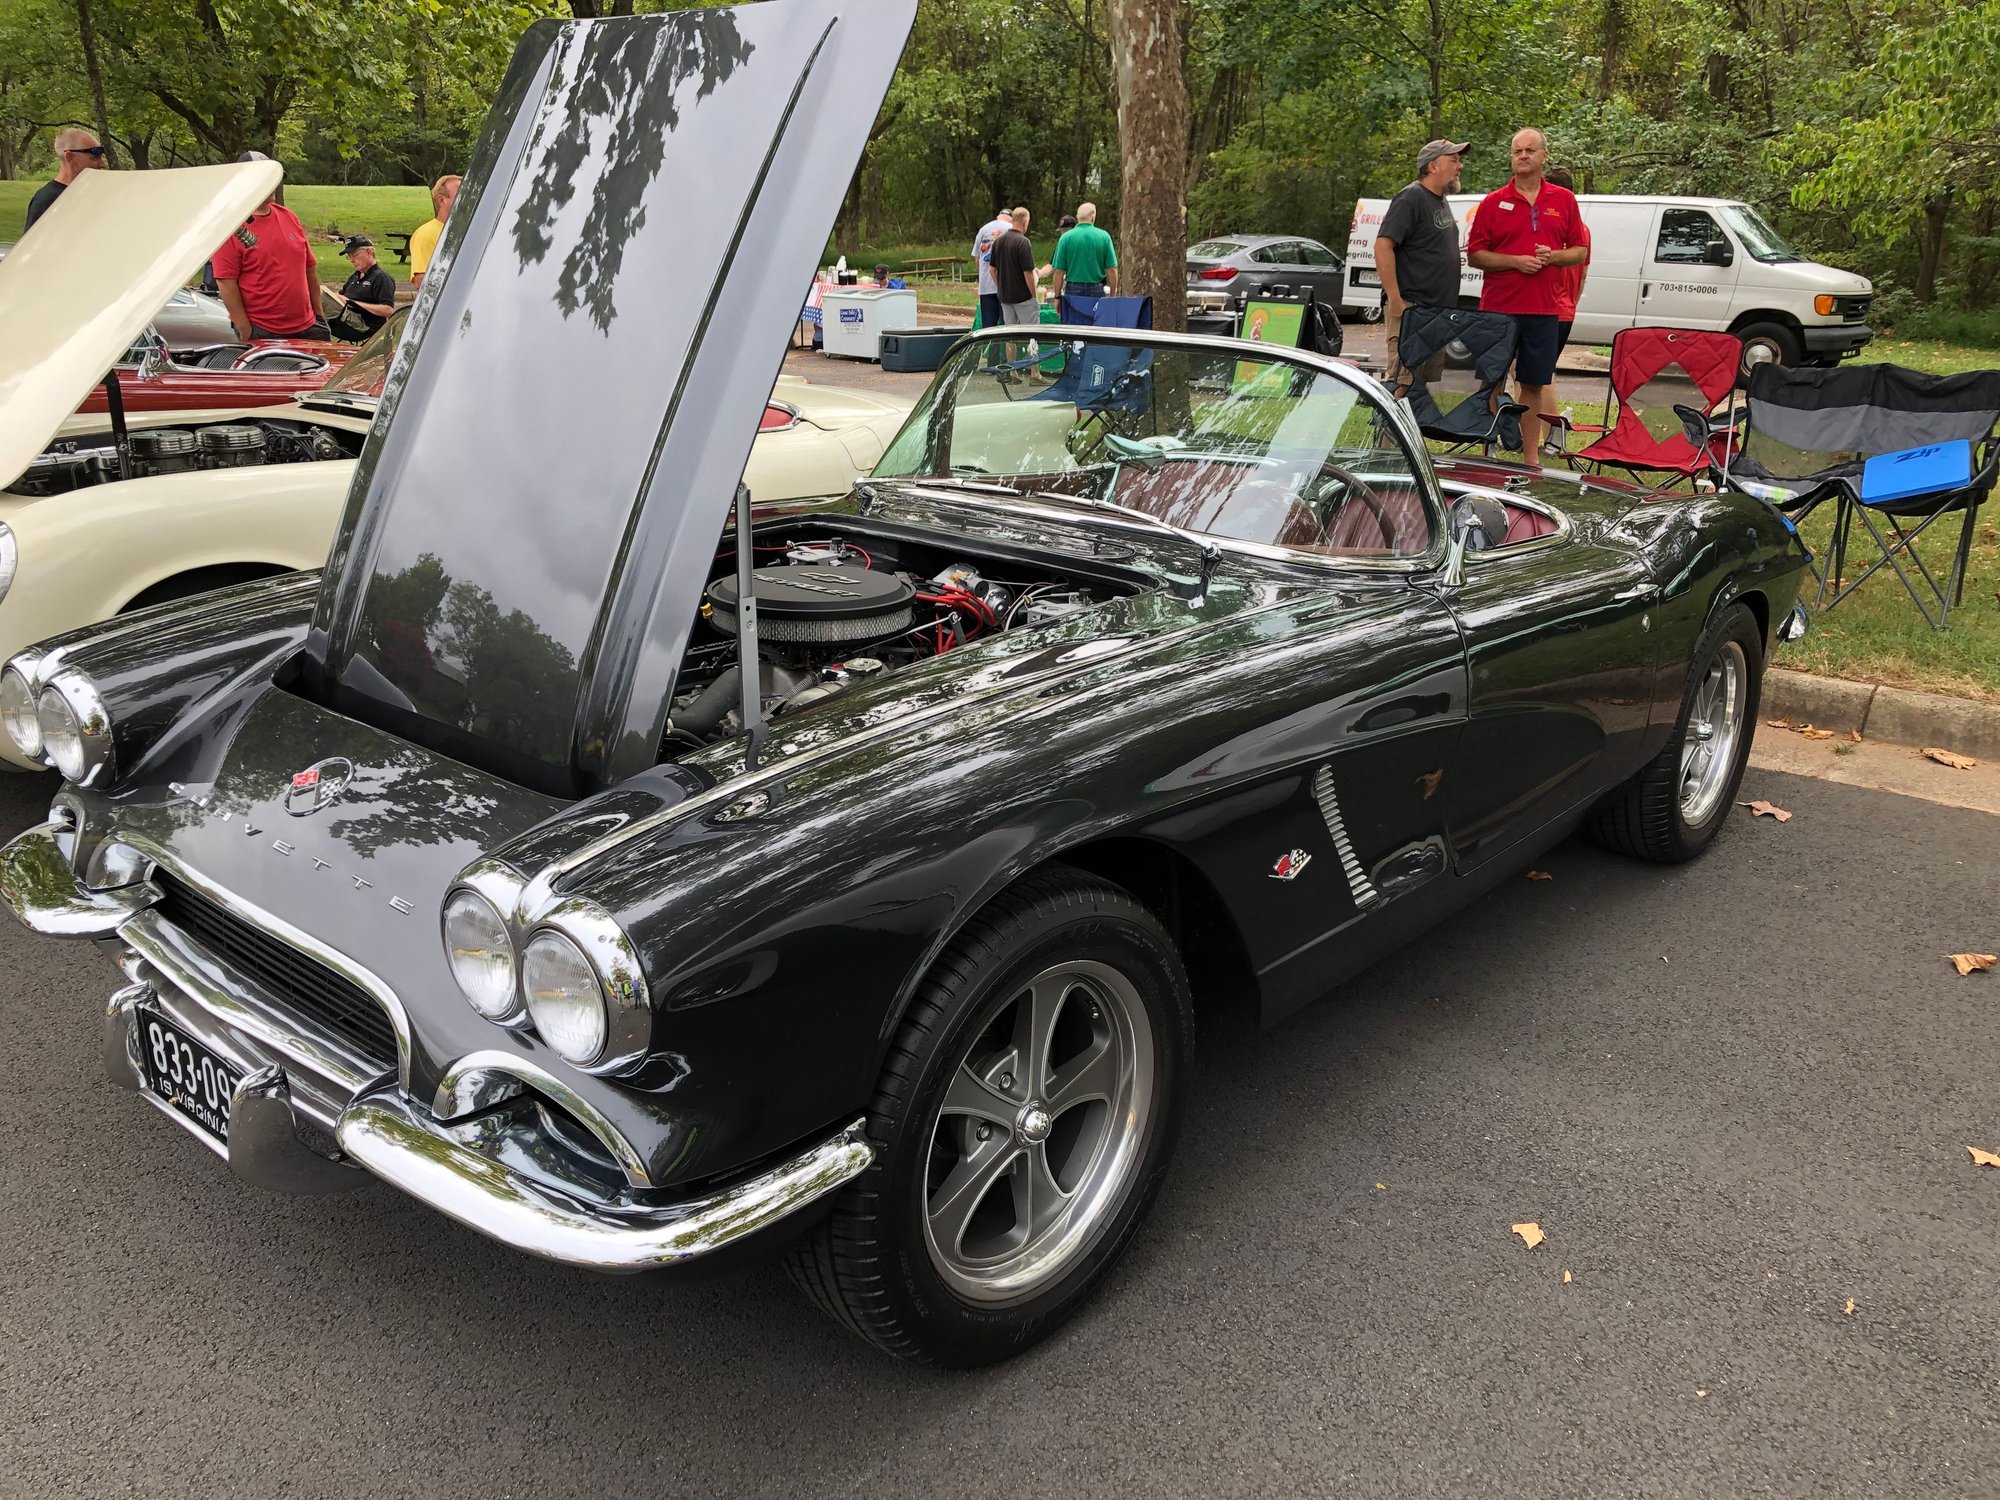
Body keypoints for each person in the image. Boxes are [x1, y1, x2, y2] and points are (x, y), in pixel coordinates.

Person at [1465, 127, 1587, 452]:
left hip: (1544, 310)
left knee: (1532, 385)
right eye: (1517, 151)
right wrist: (1515, 262)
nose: (1522, 156)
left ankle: (1531, 458)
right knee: (1492, 380)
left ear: (1544, 155)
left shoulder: (1563, 200)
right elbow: (1475, 255)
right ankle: (1487, 449)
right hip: (1499, 309)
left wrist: (1554, 257)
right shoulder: (1493, 202)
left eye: (1529, 150)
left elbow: (1579, 251)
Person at [1375, 138, 1467, 388]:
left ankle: (1414, 428)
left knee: (1420, 386)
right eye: (1454, 160)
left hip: (1436, 311)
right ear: (1433, 166)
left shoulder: (1438, 199)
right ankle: (1386, 428)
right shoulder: (1411, 197)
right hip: (1412, 309)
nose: (1460, 166)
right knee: (1402, 382)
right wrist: (1395, 299)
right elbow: (1383, 246)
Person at [211, 164, 327, 343]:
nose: (271, 185)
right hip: (263, 330)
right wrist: (245, 328)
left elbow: (309, 268)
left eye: (273, 180)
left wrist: (318, 315)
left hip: (309, 326)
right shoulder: (231, 227)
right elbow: (226, 282)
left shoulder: (289, 216)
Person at [1537, 165, 1592, 455]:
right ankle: (1538, 430)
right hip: (1567, 310)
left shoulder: (1553, 227)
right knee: (1540, 373)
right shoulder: (1583, 231)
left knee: (1538, 375)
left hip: (1548, 310)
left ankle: (1553, 433)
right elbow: (1582, 277)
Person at [24, 127, 109, 233]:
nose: (102, 164)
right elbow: (33, 247)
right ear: (70, 157)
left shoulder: (94, 193)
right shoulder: (47, 201)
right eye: (94, 157)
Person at [990, 207, 1040, 377]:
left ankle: (1012, 370)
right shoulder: (1023, 242)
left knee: (1010, 334)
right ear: (1024, 222)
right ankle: (1034, 372)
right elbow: (1028, 272)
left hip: (1005, 296)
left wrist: (1000, 287)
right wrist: (1033, 294)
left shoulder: (999, 242)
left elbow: (992, 270)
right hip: (1024, 297)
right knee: (1033, 334)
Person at [321, 235, 399, 341]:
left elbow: (388, 310)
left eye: (355, 255)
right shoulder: (355, 276)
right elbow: (341, 296)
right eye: (349, 256)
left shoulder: (381, 278)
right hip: (344, 318)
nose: (352, 260)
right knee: (315, 299)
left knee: (320, 293)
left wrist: (352, 302)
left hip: (363, 325)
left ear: (369, 252)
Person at [1050, 201, 1118, 319]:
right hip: (1096, 289)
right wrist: (1112, 294)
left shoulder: (1066, 238)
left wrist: (1057, 297)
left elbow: (1058, 272)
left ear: (1078, 217)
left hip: (1073, 289)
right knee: (1095, 328)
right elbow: (1112, 269)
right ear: (1093, 216)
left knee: (1073, 328)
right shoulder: (1104, 236)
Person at [409, 175, 460, 291]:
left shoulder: (467, 233)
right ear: (442, 200)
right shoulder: (425, 234)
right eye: (460, 195)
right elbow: (421, 280)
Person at [971, 206, 1014, 334]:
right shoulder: (1011, 229)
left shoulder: (984, 229)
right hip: (1006, 286)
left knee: (988, 329)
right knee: (1008, 328)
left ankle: (990, 353)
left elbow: (977, 260)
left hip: (986, 287)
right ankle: (1007, 354)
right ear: (1011, 219)